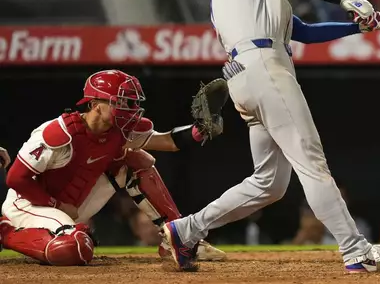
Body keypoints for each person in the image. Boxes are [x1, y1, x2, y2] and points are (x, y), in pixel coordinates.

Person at [162, 0, 380, 273]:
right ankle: (356, 250)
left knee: (269, 183)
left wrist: (358, 26)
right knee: (312, 163)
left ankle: (185, 230)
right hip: (266, 70)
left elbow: (304, 32)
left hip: (250, 77)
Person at [0, 70, 226, 266]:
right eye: (122, 102)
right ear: (95, 105)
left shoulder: (119, 131)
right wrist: (56, 205)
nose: (131, 109)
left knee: (137, 160)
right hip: (30, 205)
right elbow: (15, 178)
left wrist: (200, 130)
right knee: (75, 249)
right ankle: (7, 232)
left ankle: (178, 239)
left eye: (132, 102)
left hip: (71, 205)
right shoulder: (58, 133)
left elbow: (166, 141)